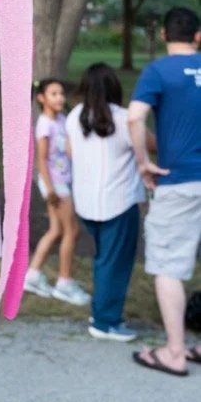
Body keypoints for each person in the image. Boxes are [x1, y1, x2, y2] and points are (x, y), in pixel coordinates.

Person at [128, 6, 201, 377]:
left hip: (180, 180)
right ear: (198, 35)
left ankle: (174, 353)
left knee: (169, 266)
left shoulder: (159, 71)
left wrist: (143, 163)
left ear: (163, 35)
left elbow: (135, 116)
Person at [65, 63, 146, 340]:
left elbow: (69, 152)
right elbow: (150, 146)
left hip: (86, 203)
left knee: (103, 260)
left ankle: (100, 311)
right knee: (115, 264)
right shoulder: (125, 120)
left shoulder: (75, 116)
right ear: (115, 87)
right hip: (119, 203)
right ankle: (105, 322)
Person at [23, 78, 90, 306]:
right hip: (56, 184)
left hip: (65, 180)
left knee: (57, 230)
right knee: (72, 230)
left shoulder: (63, 120)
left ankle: (31, 275)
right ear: (41, 98)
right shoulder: (44, 125)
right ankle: (64, 282)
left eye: (61, 93)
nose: (59, 97)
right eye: (53, 93)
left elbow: (69, 151)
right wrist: (50, 189)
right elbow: (40, 160)